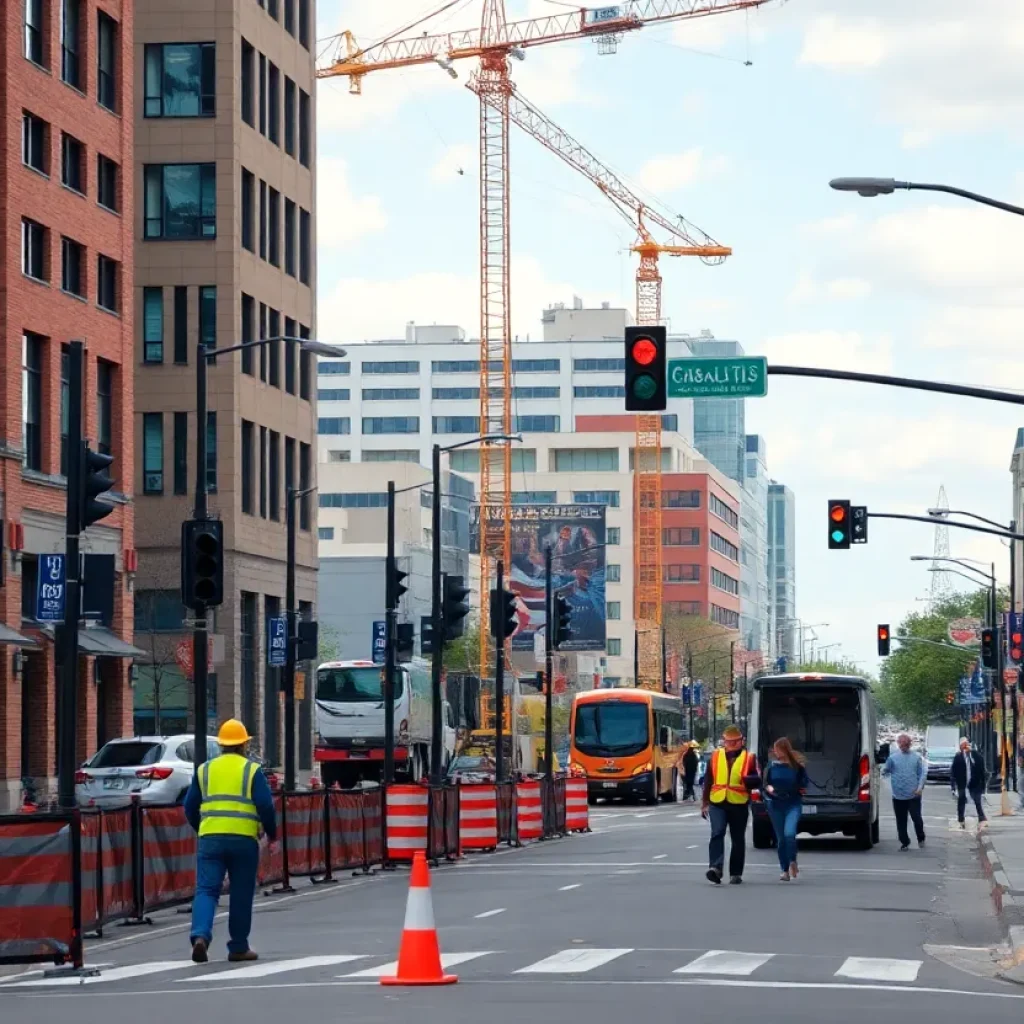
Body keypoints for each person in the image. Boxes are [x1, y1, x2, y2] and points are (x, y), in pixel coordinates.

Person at [184, 719, 278, 964]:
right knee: (240, 893)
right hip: (243, 841)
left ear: (223, 745)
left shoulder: (204, 770)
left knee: (206, 889)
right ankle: (238, 947)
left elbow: (189, 806)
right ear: (244, 745)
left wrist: (201, 828)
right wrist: (272, 834)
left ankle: (200, 937)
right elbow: (266, 806)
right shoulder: (251, 770)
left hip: (210, 839)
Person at [702, 725, 759, 885]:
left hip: (738, 802)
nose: (732, 744)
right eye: (729, 742)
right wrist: (704, 803)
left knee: (737, 838)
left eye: (736, 741)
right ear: (724, 741)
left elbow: (756, 779)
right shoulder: (715, 756)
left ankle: (735, 873)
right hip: (717, 801)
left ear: (742, 741)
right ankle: (715, 868)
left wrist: (752, 782)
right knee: (717, 833)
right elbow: (708, 780)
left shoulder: (749, 758)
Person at [762, 738, 808, 881]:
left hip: (792, 803)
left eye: (777, 748)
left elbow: (804, 782)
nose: (775, 751)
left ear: (783, 749)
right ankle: (784, 869)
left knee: (789, 834)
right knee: (781, 839)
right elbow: (764, 783)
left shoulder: (796, 766)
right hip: (775, 804)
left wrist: (801, 789)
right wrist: (769, 789)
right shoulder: (771, 766)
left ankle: (792, 861)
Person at [881, 732, 927, 851]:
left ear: (910, 744)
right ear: (898, 744)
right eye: (901, 743)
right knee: (901, 820)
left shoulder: (916, 758)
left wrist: (919, 788)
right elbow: (885, 772)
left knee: (916, 818)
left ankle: (920, 837)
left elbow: (921, 774)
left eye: (906, 744)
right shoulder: (893, 758)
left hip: (913, 794)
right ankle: (904, 841)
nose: (903, 746)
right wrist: (888, 784)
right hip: (898, 795)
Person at [951, 736, 987, 830]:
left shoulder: (974, 755)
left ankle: (982, 818)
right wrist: (953, 786)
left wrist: (972, 752)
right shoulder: (958, 757)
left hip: (974, 782)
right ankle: (961, 819)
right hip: (962, 782)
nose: (965, 746)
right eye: (963, 744)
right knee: (961, 800)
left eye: (967, 743)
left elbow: (981, 764)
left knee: (977, 801)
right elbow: (953, 772)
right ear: (960, 747)